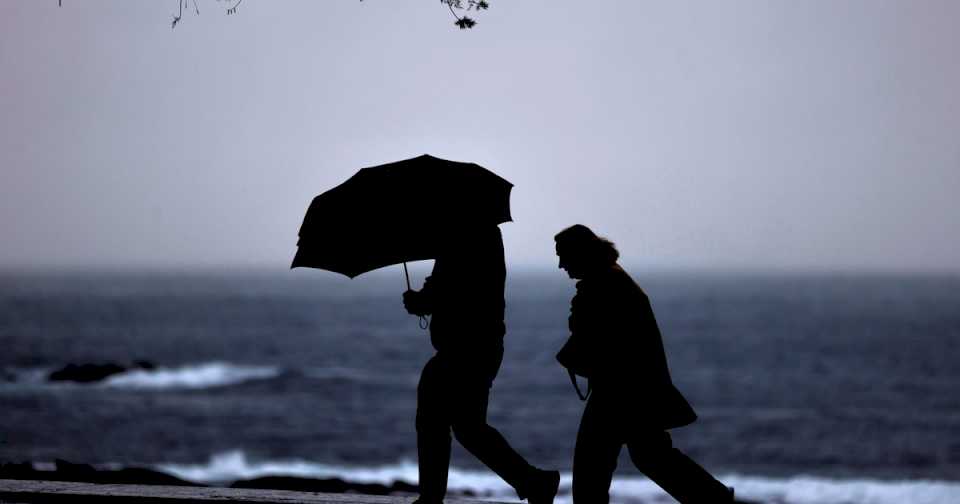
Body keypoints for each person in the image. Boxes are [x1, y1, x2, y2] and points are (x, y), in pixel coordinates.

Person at [553, 224, 735, 504]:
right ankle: (715, 498)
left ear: (581, 254)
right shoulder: (609, 280)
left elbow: (596, 336)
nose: (561, 265)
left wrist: (579, 314)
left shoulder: (604, 285)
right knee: (652, 458)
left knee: (593, 465)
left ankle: (715, 499)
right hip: (633, 389)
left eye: (564, 256)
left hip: (620, 391)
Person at [403, 224, 560, 504]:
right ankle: (534, 481)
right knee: (467, 427)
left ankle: (432, 497)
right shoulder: (477, 233)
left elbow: (453, 287)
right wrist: (425, 298)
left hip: (466, 349)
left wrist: (422, 300)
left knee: (440, 420)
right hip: (477, 348)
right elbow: (450, 284)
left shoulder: (467, 234)